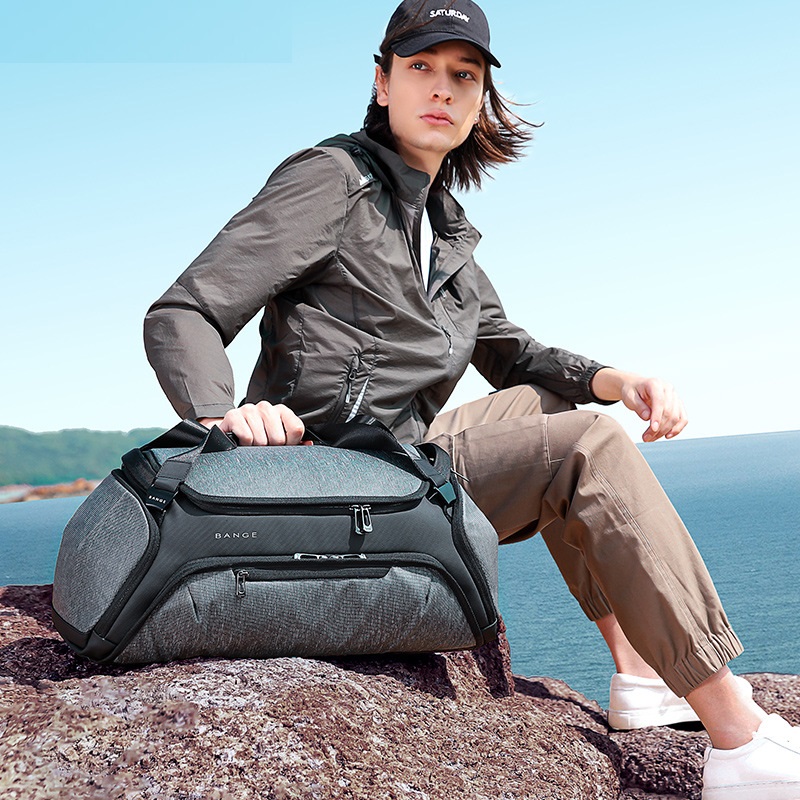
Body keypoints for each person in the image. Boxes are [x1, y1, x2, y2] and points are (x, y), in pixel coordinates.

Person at [143, 1, 800, 796]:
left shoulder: (443, 229)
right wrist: (222, 415)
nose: (442, 89)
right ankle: (735, 736)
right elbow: (183, 311)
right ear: (381, 82)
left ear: (481, 98)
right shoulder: (331, 179)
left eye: (464, 75)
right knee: (585, 447)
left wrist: (622, 381)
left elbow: (514, 354)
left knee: (554, 411)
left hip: (393, 466)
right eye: (420, 67)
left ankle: (639, 673)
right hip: (320, 481)